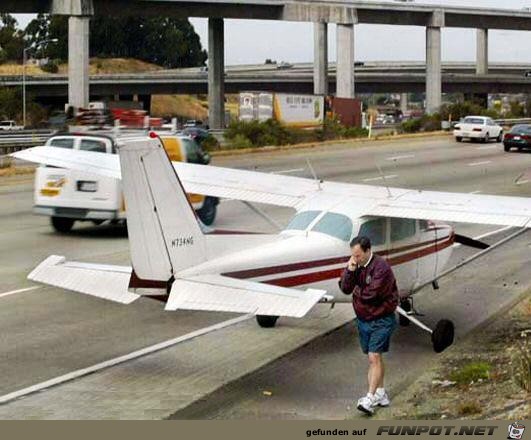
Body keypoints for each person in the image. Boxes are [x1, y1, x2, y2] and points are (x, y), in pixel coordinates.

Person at [339, 235, 399, 415]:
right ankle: (381, 393)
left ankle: (369, 398)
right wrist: (350, 271)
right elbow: (345, 288)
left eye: (358, 256)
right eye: (352, 256)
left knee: (374, 356)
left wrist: (357, 293)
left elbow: (371, 295)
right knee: (375, 358)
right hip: (364, 319)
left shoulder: (382, 268)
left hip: (381, 318)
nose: (355, 259)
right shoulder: (355, 265)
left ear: (367, 251)